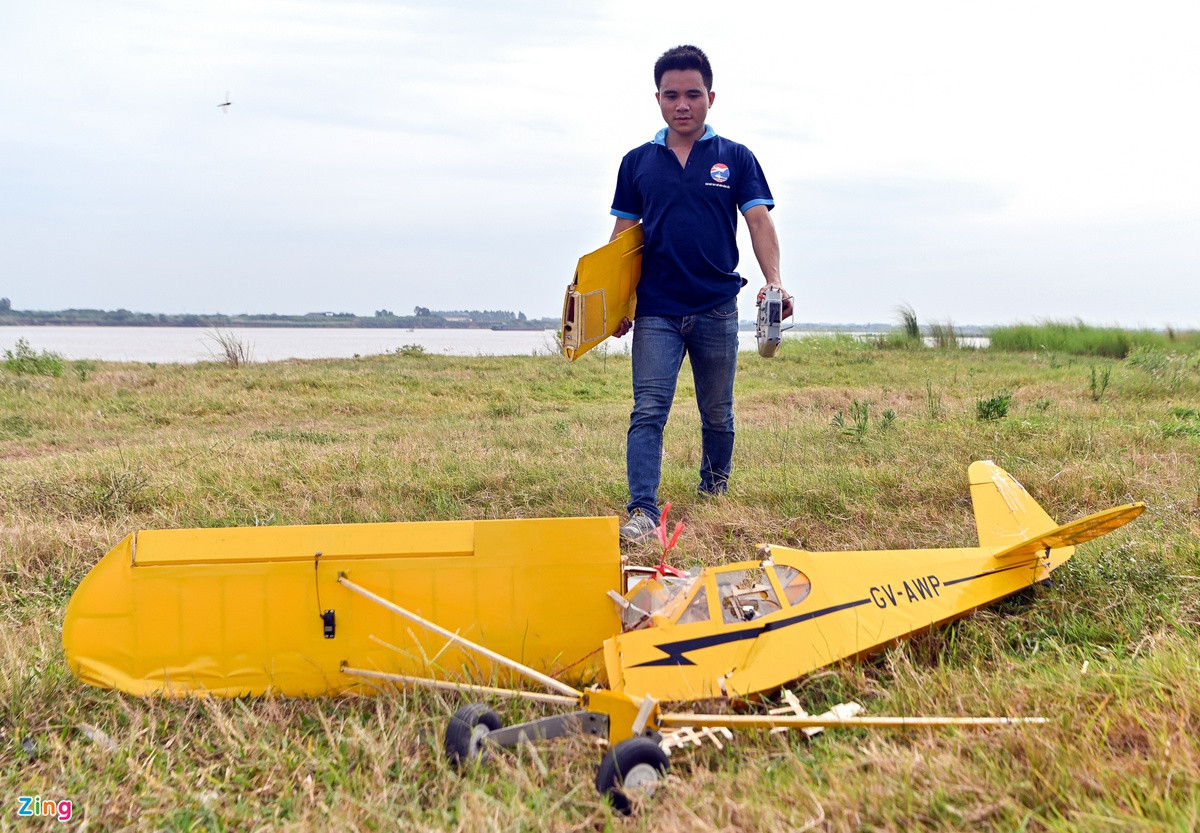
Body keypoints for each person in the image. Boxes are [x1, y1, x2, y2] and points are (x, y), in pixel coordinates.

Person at [610, 44, 792, 543]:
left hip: (715, 307)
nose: (682, 104)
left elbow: (759, 221)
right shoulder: (637, 162)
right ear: (658, 99)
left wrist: (773, 281)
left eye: (693, 94)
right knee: (648, 409)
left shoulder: (735, 157)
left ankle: (713, 491)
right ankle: (643, 511)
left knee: (718, 410)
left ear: (710, 97)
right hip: (656, 310)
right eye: (672, 95)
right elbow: (623, 240)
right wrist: (616, 304)